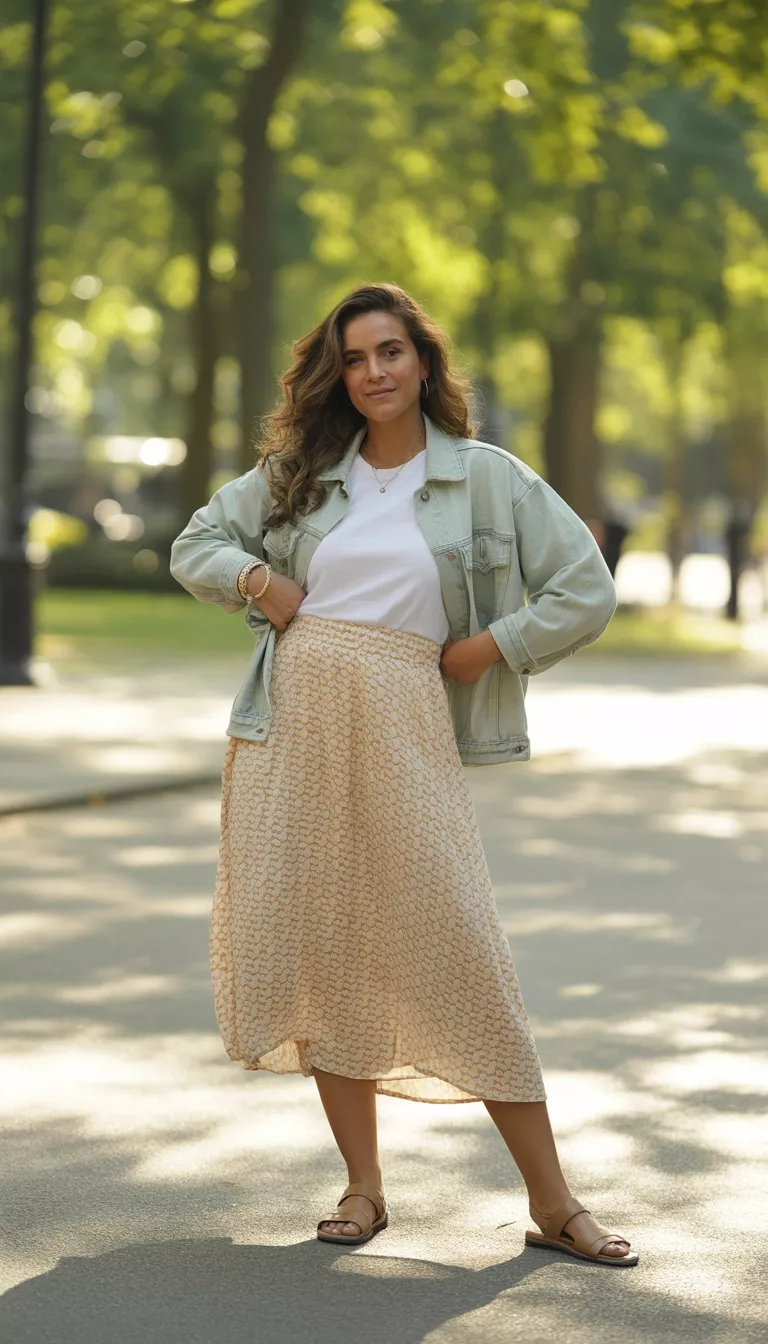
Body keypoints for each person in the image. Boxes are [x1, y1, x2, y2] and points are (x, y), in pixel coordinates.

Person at [170, 282, 639, 1267]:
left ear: (424, 362)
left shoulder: (488, 478)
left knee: (463, 949)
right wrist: (260, 580)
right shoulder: (303, 473)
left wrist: (491, 646)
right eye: (354, 358)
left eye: (390, 351)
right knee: (326, 952)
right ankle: (362, 1187)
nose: (373, 372)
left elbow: (585, 588)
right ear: (337, 374)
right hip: (291, 728)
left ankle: (553, 1202)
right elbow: (196, 543)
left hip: (405, 721)